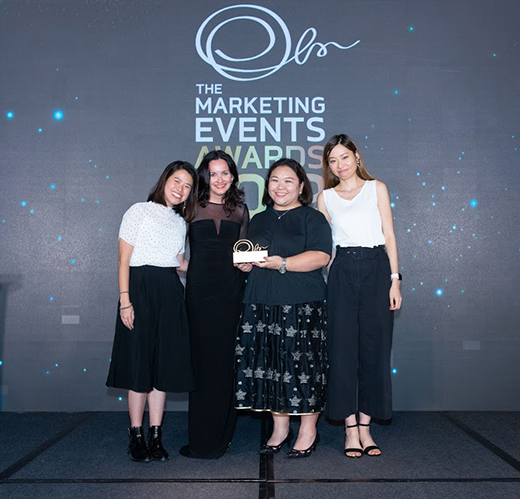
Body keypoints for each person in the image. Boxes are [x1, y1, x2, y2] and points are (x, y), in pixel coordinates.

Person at [235, 158, 332, 458]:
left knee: (304, 368)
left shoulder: (313, 218)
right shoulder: (258, 219)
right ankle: (280, 429)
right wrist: (246, 265)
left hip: (301, 304)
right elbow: (252, 256)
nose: (280, 186)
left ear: (301, 186)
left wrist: (283, 263)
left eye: (288, 180)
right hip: (260, 302)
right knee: (271, 368)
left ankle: (308, 430)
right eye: (275, 180)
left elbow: (321, 257)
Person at [317, 134, 402, 458]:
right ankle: (349, 428)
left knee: (375, 349)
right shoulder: (325, 197)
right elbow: (326, 247)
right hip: (342, 272)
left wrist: (394, 281)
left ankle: (366, 427)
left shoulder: (376, 188)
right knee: (341, 351)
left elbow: (389, 234)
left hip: (377, 269)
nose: (340, 165)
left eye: (344, 157)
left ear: (356, 156)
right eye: (333, 160)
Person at [106, 161, 198, 462]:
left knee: (163, 367)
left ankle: (156, 436)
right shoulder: (138, 211)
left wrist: (216, 267)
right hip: (139, 290)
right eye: (177, 181)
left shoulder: (181, 223)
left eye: (187, 186)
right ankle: (136, 436)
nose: (180, 188)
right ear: (164, 180)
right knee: (139, 366)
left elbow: (179, 263)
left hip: (170, 291)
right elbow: (123, 260)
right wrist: (125, 301)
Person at [180, 150, 249, 459]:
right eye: (213, 174)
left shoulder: (241, 211)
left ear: (232, 176)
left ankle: (222, 436)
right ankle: (201, 439)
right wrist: (190, 268)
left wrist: (247, 265)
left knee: (224, 363)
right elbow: (175, 253)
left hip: (231, 294)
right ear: (204, 177)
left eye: (225, 173)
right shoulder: (190, 207)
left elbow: (243, 255)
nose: (219, 179)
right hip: (199, 295)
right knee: (201, 362)